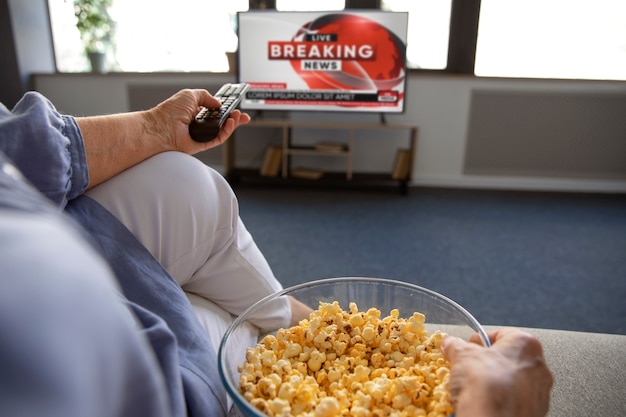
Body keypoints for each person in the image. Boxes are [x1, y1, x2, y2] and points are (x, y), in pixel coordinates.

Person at [0, 89, 552, 417]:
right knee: (232, 332)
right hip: (137, 357)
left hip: (58, 216)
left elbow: (17, 143)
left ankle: (308, 325)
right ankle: (286, 333)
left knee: (190, 184)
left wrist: (154, 129)